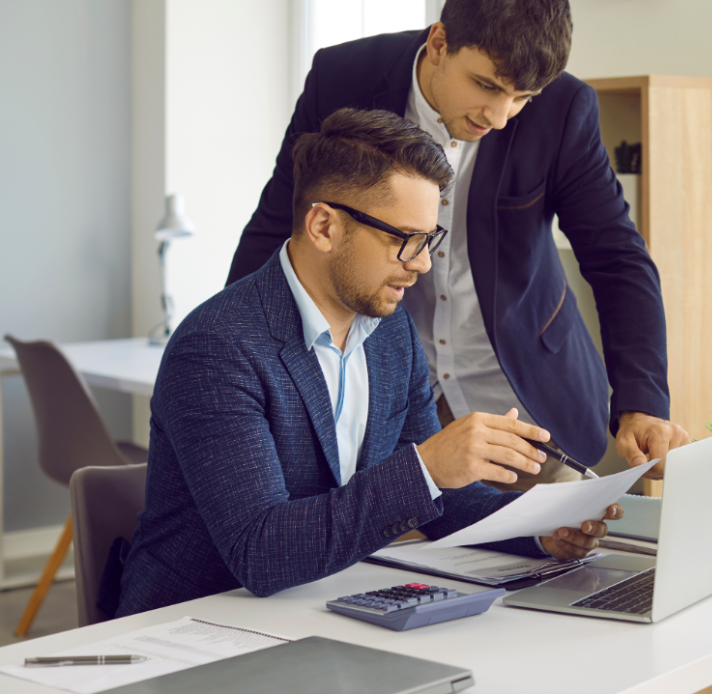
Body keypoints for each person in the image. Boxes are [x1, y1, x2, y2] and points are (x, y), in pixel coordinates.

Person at [112, 109, 618, 618]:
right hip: (194, 625)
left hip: (318, 607)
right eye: (405, 239)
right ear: (324, 226)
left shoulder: (389, 332)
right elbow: (261, 552)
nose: (421, 263)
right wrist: (427, 467)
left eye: (428, 239)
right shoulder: (218, 347)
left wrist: (542, 529)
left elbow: (441, 503)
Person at [226, 0, 689, 488]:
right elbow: (278, 223)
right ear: (440, 43)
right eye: (488, 86)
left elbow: (617, 258)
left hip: (524, 408)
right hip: (387, 402)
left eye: (521, 98)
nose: (499, 117)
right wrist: (231, 354)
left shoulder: (565, 111)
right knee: (387, 562)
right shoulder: (342, 79)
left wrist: (642, 400)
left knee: (554, 554)